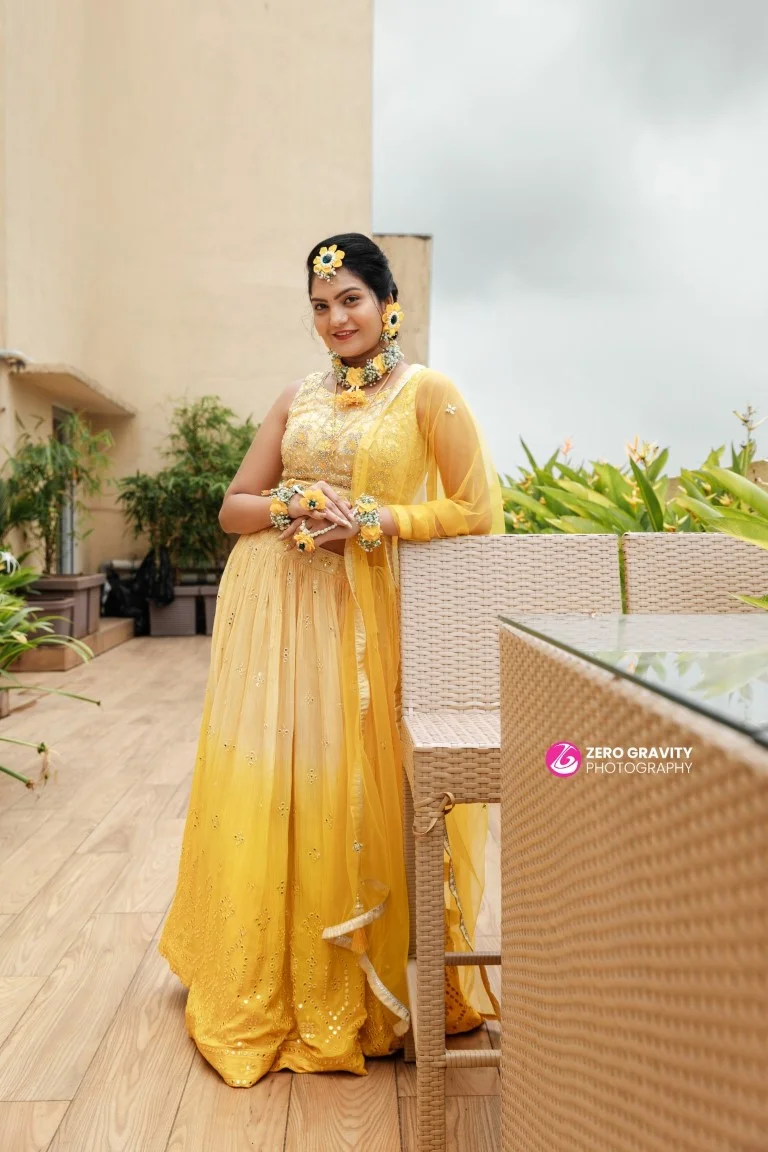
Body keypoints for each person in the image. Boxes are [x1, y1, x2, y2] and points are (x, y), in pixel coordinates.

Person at [158, 233, 504, 1087]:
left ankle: (370, 985)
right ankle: (278, 973)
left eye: (350, 299)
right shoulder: (297, 396)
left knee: (361, 783)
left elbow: (474, 508)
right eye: (320, 306)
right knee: (284, 783)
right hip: (280, 621)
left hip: (368, 618)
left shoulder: (429, 394)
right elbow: (234, 508)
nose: (335, 319)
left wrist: (378, 521)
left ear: (387, 303)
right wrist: (294, 503)